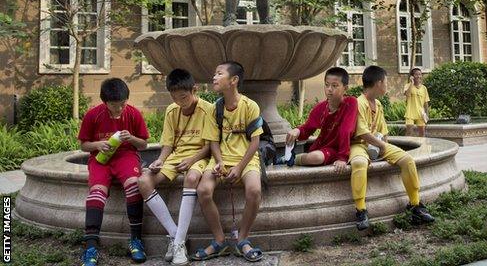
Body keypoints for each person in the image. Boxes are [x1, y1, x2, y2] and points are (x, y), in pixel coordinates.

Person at [137, 69, 212, 265]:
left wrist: (192, 160)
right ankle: (176, 236)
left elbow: (209, 146)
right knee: (144, 181)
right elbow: (168, 145)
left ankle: (177, 244)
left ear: (194, 90)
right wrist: (160, 160)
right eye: (175, 97)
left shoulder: (208, 110)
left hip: (199, 156)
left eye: (184, 97)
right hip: (175, 157)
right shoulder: (172, 110)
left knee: (192, 178)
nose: (180, 101)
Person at [350, 66, 435, 231]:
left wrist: (386, 148)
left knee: (407, 160)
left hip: (377, 144)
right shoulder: (358, 103)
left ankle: (415, 205)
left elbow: (383, 131)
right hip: (359, 144)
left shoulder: (378, 104)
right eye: (386, 82)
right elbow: (362, 132)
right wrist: (382, 145)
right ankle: (360, 210)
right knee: (359, 164)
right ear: (379, 83)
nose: (387, 85)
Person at [194, 61, 264, 262]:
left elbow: (255, 142)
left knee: (254, 190)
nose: (214, 77)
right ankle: (219, 240)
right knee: (203, 190)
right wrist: (220, 162)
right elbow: (213, 141)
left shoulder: (250, 106)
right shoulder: (214, 108)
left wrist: (240, 167)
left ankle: (242, 240)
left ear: (233, 80)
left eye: (219, 74)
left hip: (246, 159)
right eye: (214, 73)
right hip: (221, 158)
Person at [77, 78, 149, 266]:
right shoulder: (93, 115)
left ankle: (136, 240)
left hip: (126, 156)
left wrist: (131, 138)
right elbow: (84, 145)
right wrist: (97, 145)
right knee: (96, 194)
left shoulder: (133, 114)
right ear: (105, 102)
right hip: (100, 159)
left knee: (134, 185)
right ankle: (91, 247)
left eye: (122, 104)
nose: (119, 109)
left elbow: (143, 145)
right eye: (114, 106)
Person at [278, 67, 357, 173]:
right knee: (315, 157)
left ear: (345, 88)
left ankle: (290, 158)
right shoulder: (320, 108)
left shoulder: (351, 103)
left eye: (335, 86)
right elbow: (308, 128)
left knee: (316, 157)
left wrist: (342, 158)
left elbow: (346, 129)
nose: (329, 89)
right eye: (327, 84)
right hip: (324, 150)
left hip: (345, 148)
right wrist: (297, 131)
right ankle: (288, 159)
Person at [404, 67, 430, 137]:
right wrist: (411, 83)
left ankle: (422, 147)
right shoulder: (407, 86)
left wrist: (427, 114)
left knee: (422, 133)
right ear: (412, 76)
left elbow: (426, 102)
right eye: (416, 74)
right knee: (409, 132)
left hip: (421, 113)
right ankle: (407, 147)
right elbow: (407, 94)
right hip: (410, 112)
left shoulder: (424, 88)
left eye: (420, 74)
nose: (418, 76)